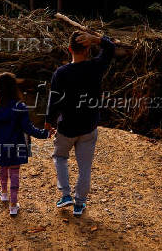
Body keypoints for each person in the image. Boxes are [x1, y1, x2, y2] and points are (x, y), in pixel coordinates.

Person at [45, 31, 116, 216]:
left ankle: (66, 195)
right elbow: (110, 48)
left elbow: (54, 101)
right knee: (85, 167)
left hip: (67, 126)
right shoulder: (96, 67)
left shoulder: (60, 73)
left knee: (60, 157)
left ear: (69, 49)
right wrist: (97, 39)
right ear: (88, 49)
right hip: (89, 126)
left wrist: (49, 121)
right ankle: (80, 203)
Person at [0, 72, 54, 216]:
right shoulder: (20, 106)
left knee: (3, 168)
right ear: (14, 87)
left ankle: (4, 193)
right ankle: (13, 205)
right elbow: (28, 128)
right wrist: (45, 133)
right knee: (14, 172)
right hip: (16, 146)